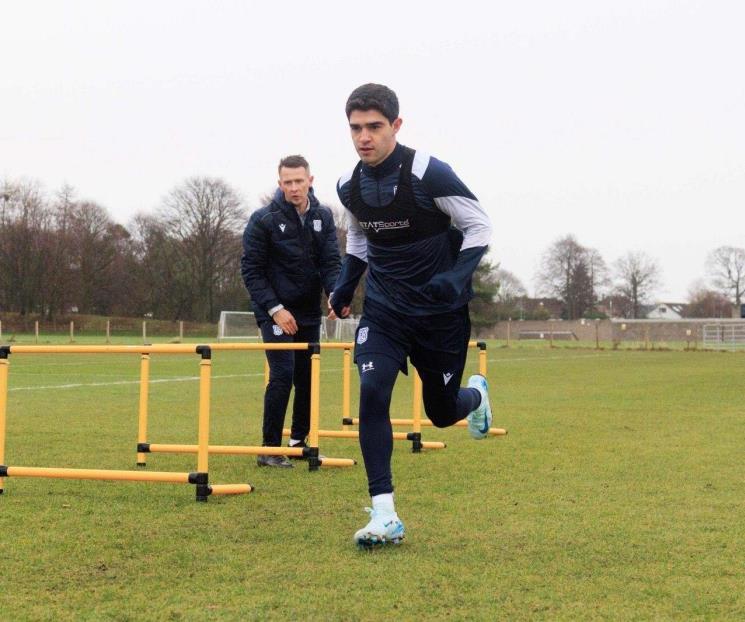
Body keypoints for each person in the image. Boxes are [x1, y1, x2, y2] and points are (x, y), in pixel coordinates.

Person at [329, 83, 494, 546]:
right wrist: (346, 282)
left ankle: (476, 397)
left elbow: (478, 224)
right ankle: (385, 514)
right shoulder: (348, 186)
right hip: (385, 310)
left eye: (374, 127)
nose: (364, 137)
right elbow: (361, 238)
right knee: (372, 388)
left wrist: (457, 276)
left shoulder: (429, 173)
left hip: (439, 315)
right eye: (356, 128)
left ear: (396, 126)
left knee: (441, 414)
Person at [242, 155, 341, 468]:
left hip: (307, 309)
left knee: (307, 377)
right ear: (280, 183)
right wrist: (275, 309)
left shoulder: (323, 216)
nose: (294, 188)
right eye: (288, 182)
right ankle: (269, 449)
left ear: (310, 180)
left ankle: (299, 442)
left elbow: (330, 262)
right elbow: (251, 270)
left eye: (300, 181)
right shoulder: (264, 219)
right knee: (282, 373)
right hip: (274, 310)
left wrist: (337, 293)